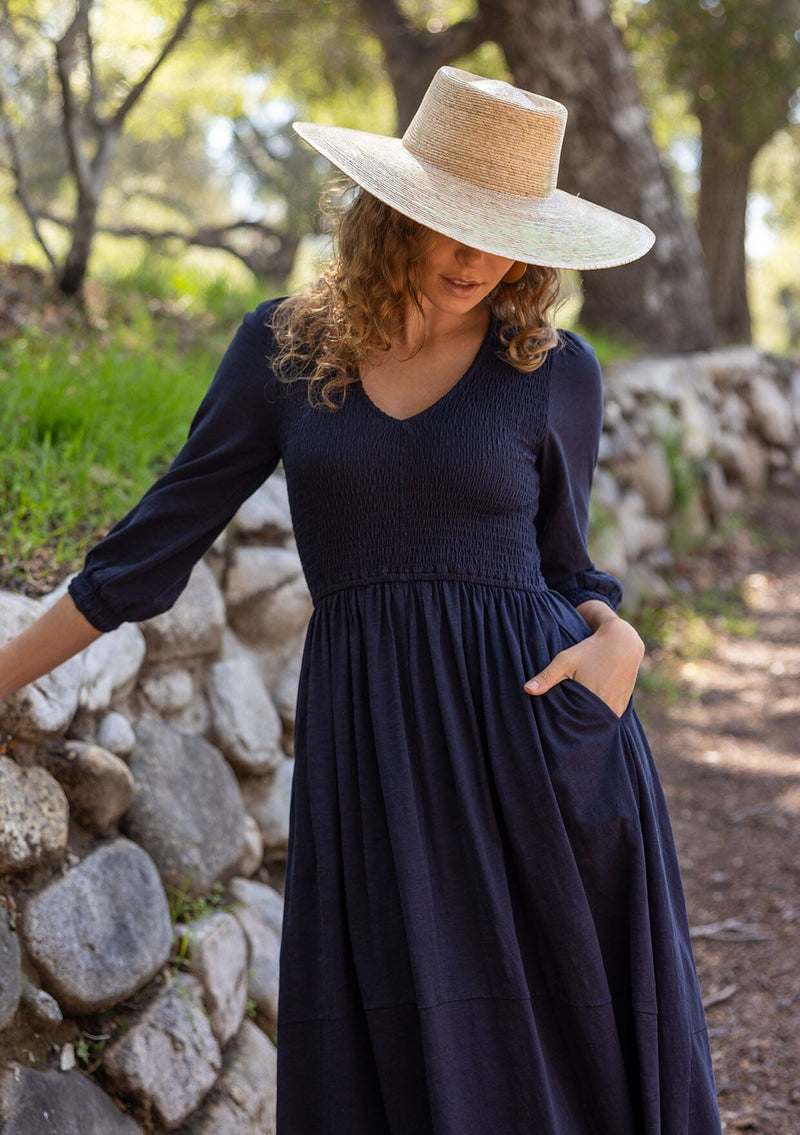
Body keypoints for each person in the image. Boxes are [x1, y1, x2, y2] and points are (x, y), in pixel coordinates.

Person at [0, 67, 722, 1133]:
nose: (474, 259)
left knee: (565, 1044)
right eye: (450, 225)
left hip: (532, 736)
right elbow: (147, 554)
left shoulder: (552, 368)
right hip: (374, 741)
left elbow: (569, 572)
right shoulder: (283, 351)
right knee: (400, 1036)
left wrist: (621, 643)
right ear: (392, 212)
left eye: (503, 236)